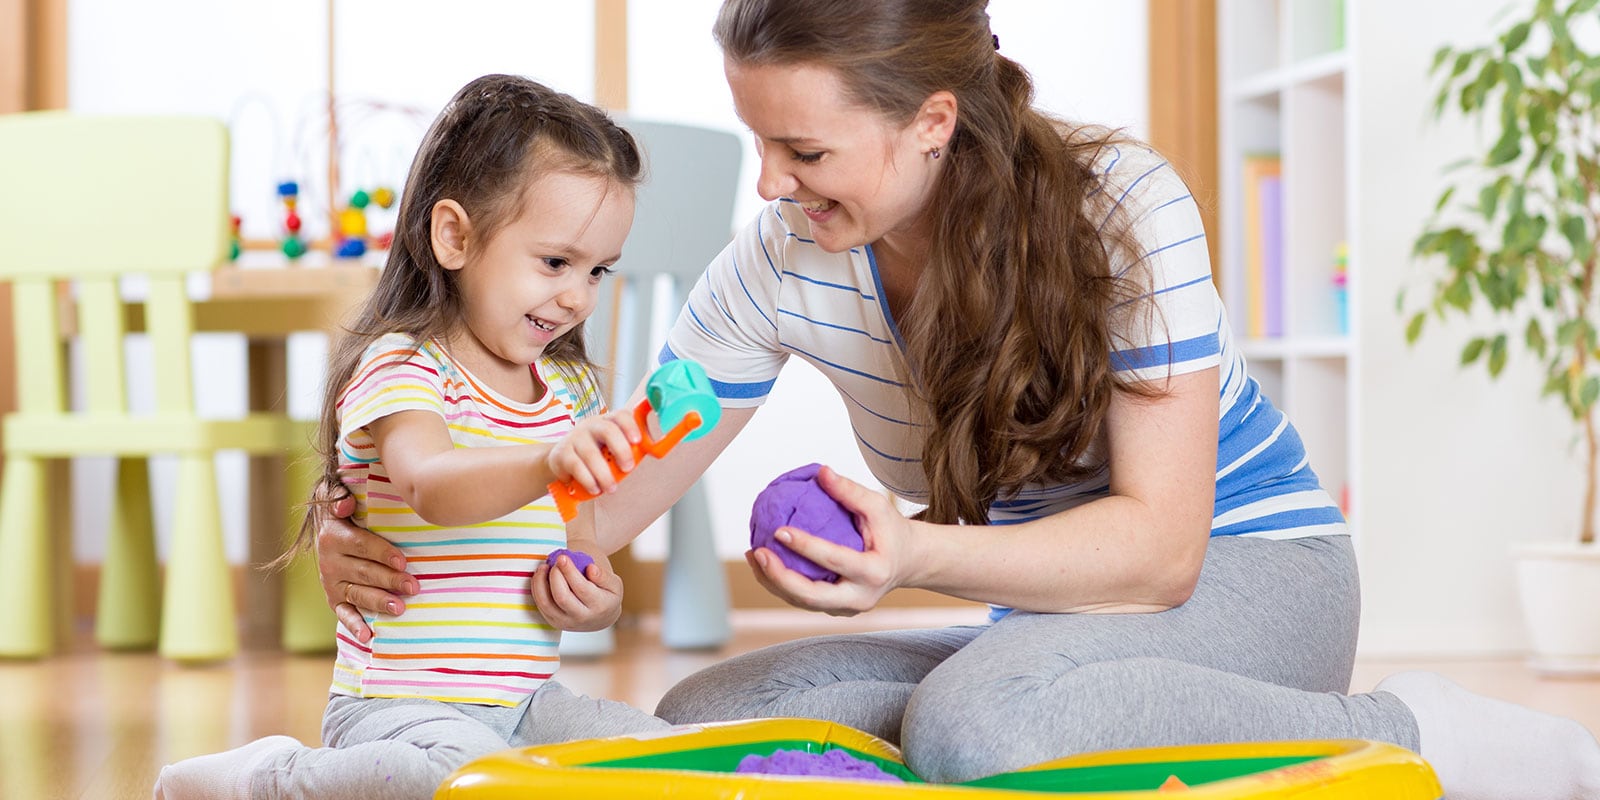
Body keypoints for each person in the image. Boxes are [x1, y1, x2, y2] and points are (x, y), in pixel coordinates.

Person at [313, 4, 1600, 799]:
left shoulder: (1121, 209)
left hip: (1248, 575)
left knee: (982, 720)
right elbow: (615, 479)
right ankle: (1030, 723)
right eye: (756, 140)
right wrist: (381, 517)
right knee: (709, 719)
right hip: (1033, 607)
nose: (765, 185)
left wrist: (912, 551)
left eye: (803, 151)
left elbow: (1157, 554)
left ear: (931, 120)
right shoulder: (778, 262)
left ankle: (1420, 730)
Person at [153, 73, 672, 800]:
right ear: (455, 236)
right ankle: (264, 780)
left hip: (525, 705)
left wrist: (598, 597)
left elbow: (581, 544)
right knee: (458, 780)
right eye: (556, 262)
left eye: (597, 271)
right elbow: (431, 483)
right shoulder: (403, 366)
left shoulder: (570, 392)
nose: (578, 296)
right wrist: (549, 457)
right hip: (396, 708)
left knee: (663, 756)